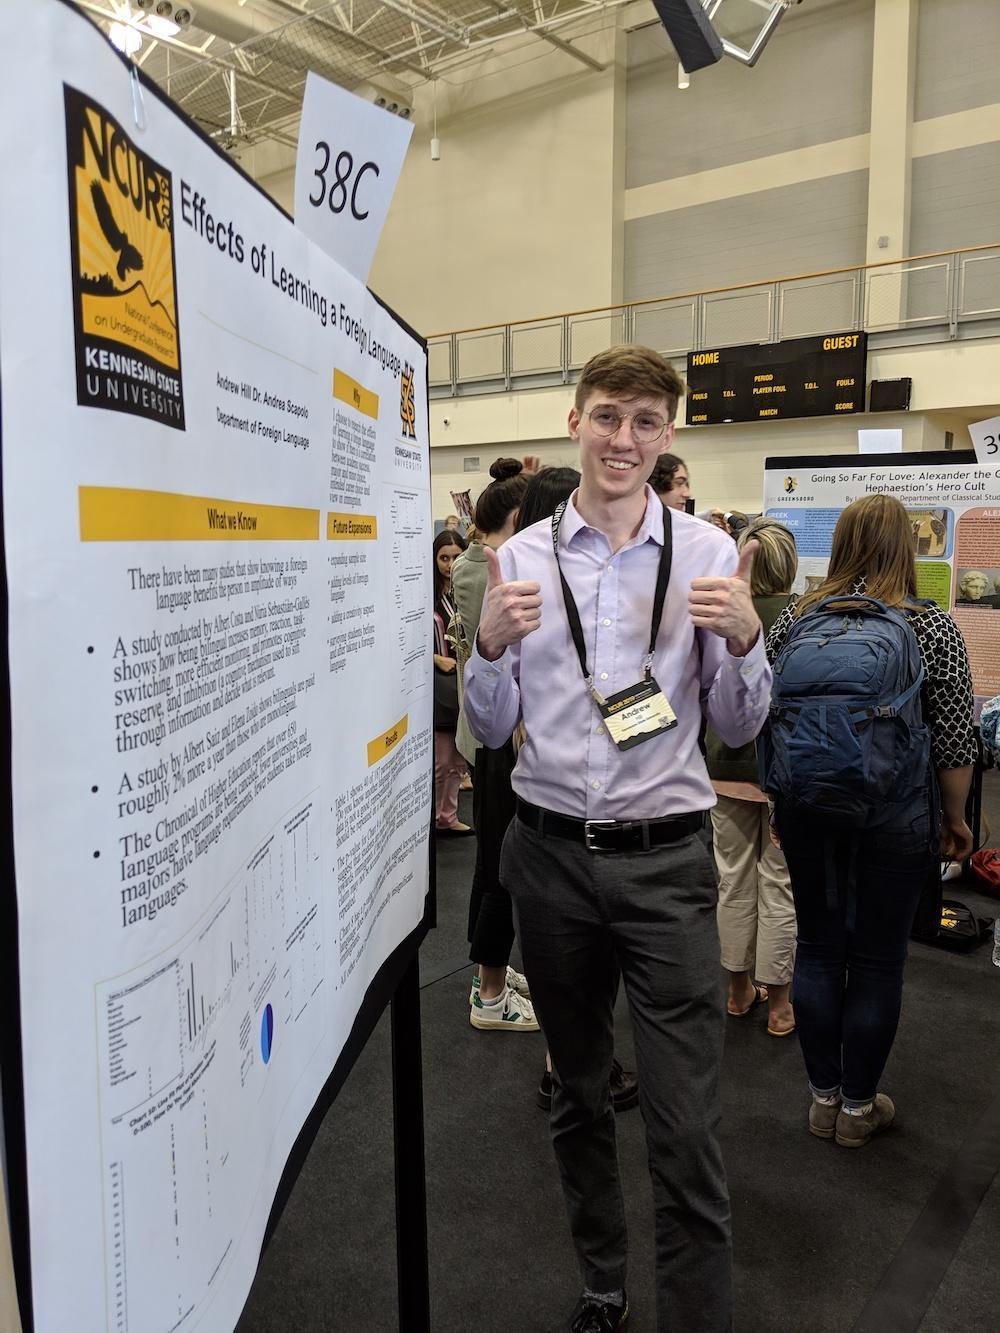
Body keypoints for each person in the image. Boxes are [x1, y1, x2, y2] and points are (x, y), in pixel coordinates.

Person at [464, 345, 771, 1333]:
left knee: (683, 1125)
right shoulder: (518, 560)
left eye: (644, 423)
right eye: (607, 417)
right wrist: (486, 650)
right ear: (574, 421)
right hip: (549, 859)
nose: (623, 440)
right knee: (577, 1094)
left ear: (667, 435)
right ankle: (602, 1282)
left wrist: (746, 641)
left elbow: (741, 720)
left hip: (668, 861)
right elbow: (487, 719)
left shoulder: (710, 556)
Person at [765, 494, 975, 1149]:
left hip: (808, 809)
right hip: (896, 813)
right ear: (904, 548)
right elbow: (955, 739)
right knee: (880, 961)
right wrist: (956, 818)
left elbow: (770, 718)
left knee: (820, 948)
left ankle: (822, 1098)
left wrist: (782, 802)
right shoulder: (929, 625)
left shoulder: (796, 619)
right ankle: (859, 1107)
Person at [451, 458, 539, 1030]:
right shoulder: (491, 570)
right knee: (499, 864)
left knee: (496, 860)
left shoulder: (473, 564)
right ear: (517, 517)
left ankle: (491, 970)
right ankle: (487, 990)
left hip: (494, 735)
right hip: (500, 739)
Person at [705, 519, 797, 1038]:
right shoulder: (803, 619)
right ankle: (780, 1003)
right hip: (785, 773)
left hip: (724, 767)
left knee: (732, 880)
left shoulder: (725, 614)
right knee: (780, 885)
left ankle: (738, 990)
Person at [432, 528, 471, 834]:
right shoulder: (426, 596)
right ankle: (437, 817)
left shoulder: (467, 593)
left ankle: (448, 816)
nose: (449, 563)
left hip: (466, 682)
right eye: (443, 557)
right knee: (442, 760)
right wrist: (434, 657)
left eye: (456, 556)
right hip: (439, 686)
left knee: (458, 758)